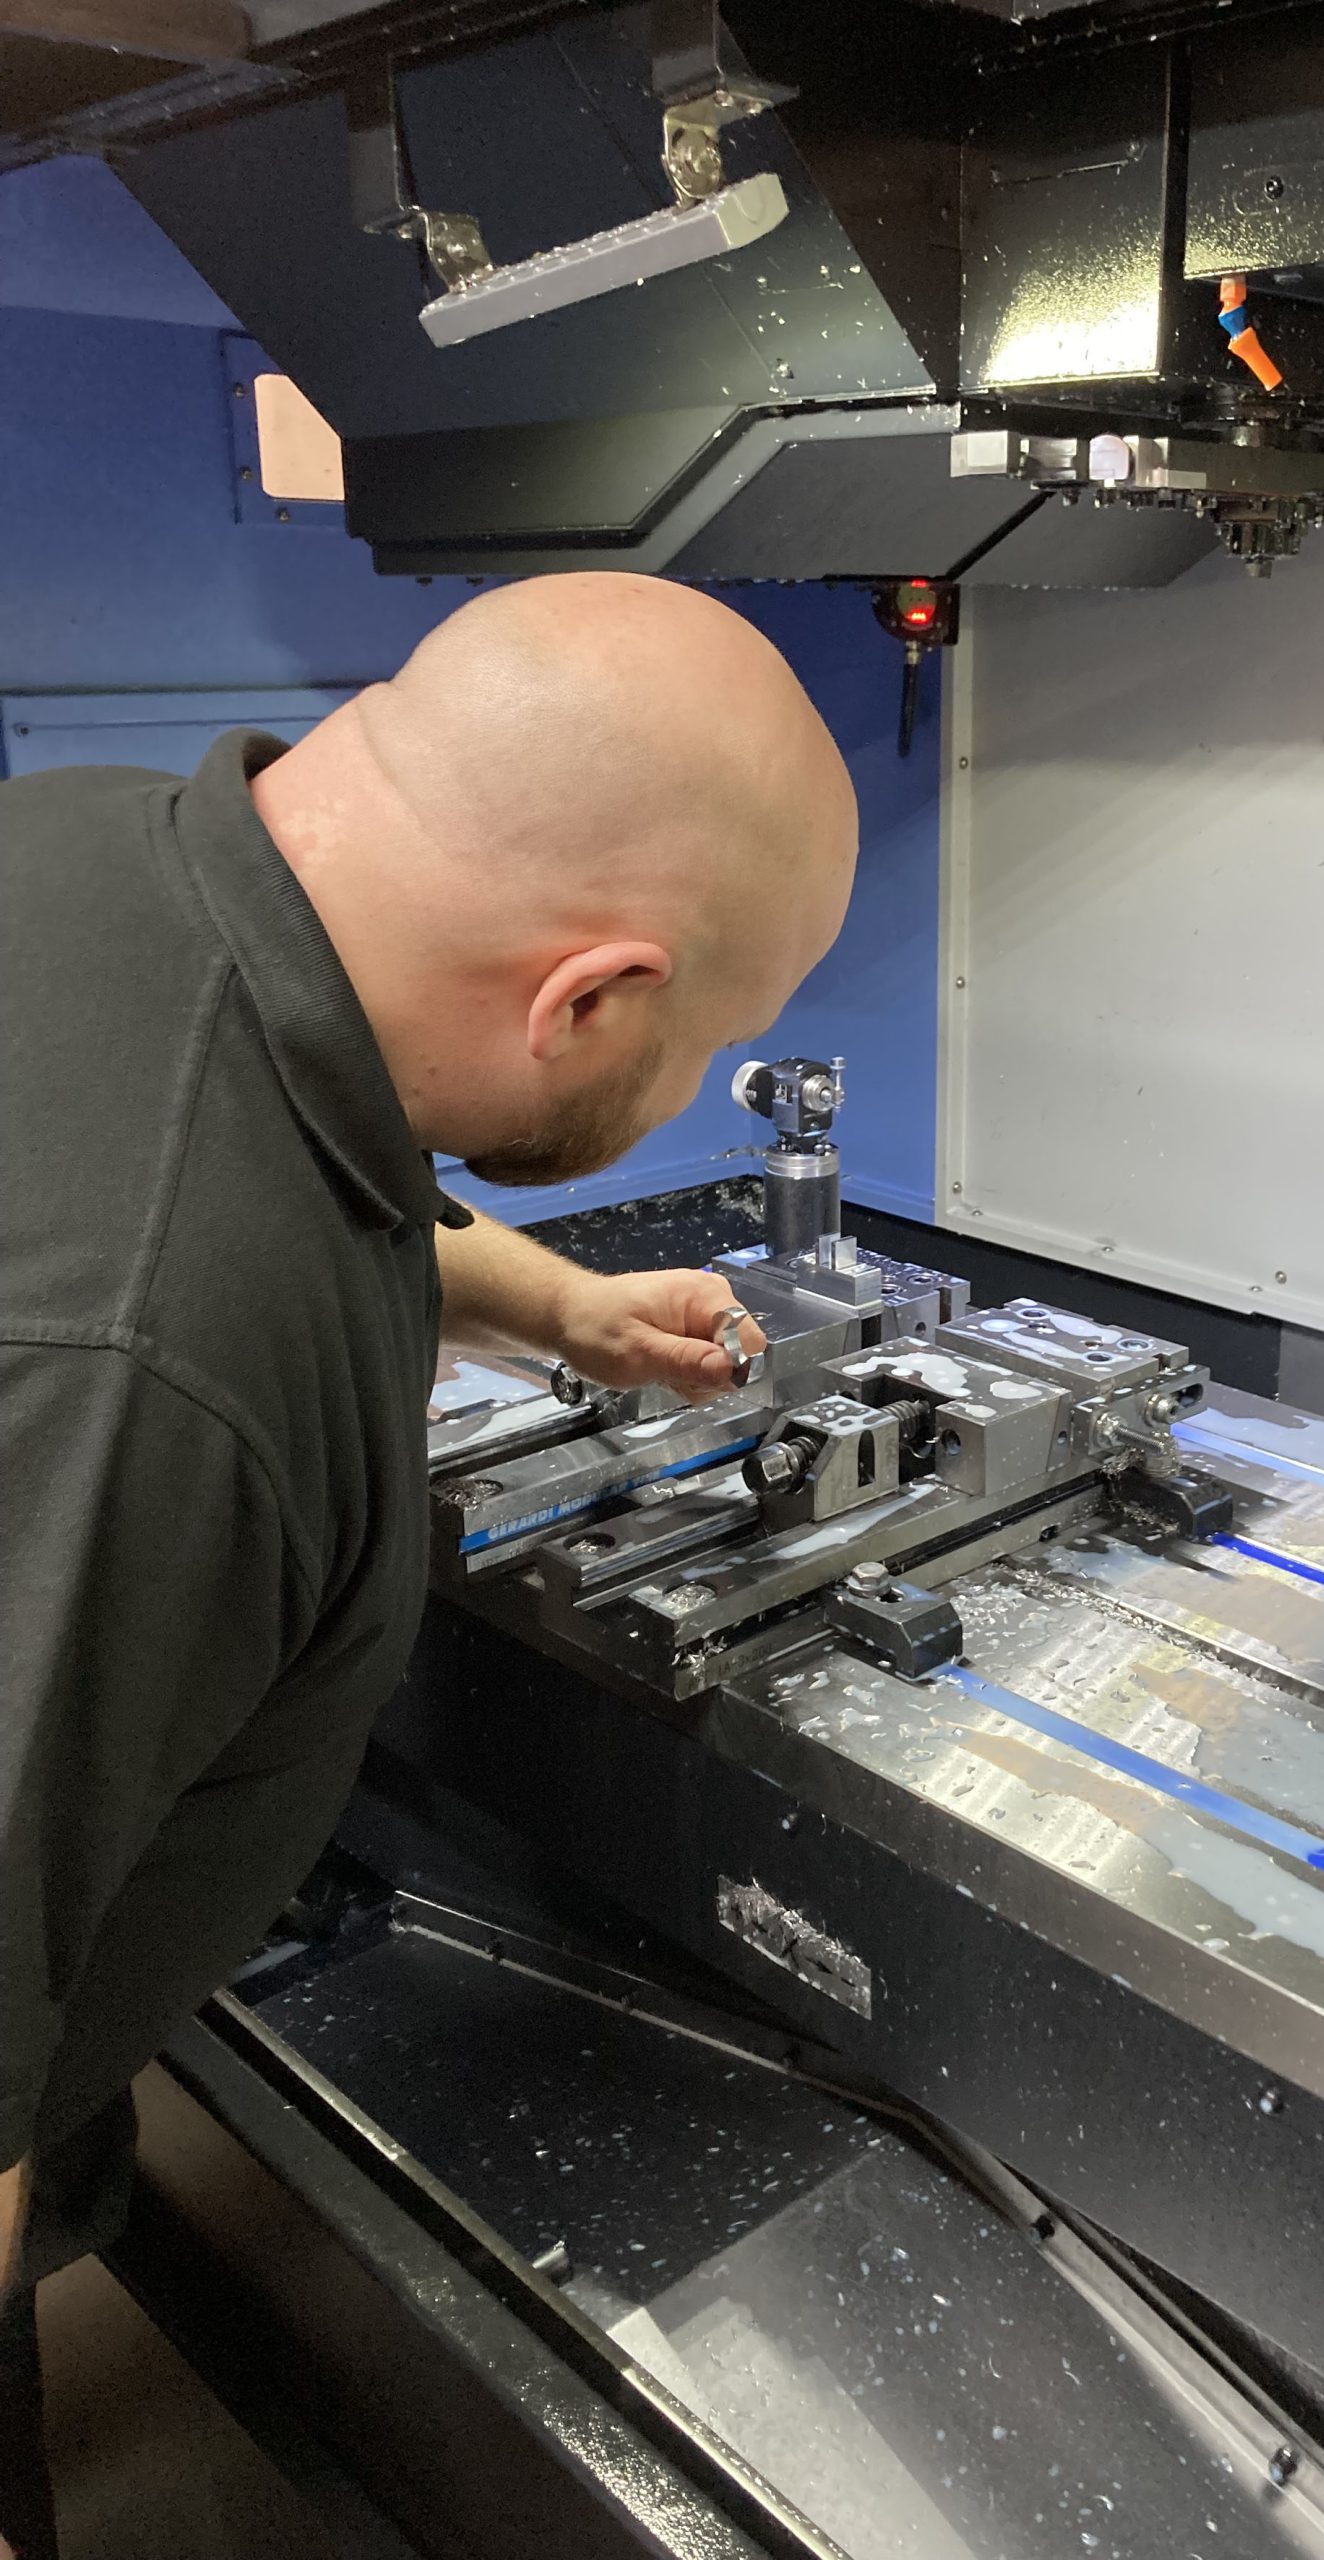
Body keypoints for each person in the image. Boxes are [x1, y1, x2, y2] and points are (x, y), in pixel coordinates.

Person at [0, 572, 859, 2556]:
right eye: (698, 1044)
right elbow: (180, 1291)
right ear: (587, 996)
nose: (680, 1088)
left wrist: (547, 1296)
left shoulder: (109, 850)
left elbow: (297, 1167)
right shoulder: (144, 1377)